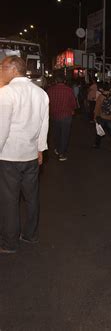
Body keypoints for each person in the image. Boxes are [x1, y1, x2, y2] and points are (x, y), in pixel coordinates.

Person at [0, 56, 49, 253]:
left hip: (9, 156)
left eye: (2, 67)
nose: (1, 71)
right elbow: (44, 125)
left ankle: (10, 242)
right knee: (31, 197)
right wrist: (40, 149)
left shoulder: (6, 93)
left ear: (12, 69)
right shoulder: (41, 94)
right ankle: (30, 234)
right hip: (30, 155)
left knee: (9, 200)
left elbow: (2, 129)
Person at [46, 74, 77, 161]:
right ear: (64, 81)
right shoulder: (69, 90)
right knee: (65, 135)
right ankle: (62, 154)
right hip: (66, 116)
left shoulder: (50, 90)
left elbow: (47, 103)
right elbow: (73, 104)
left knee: (56, 133)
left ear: (55, 81)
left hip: (54, 115)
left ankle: (57, 148)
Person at [93, 86, 111, 151]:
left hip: (102, 116)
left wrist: (95, 116)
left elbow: (97, 107)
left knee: (99, 131)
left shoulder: (101, 97)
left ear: (103, 89)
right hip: (110, 117)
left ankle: (97, 144)